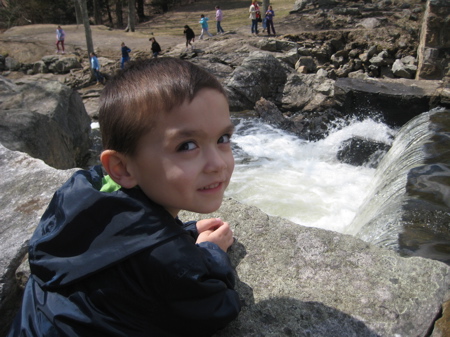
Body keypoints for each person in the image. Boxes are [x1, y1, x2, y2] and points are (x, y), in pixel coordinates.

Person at [7, 57, 241, 337]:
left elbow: (119, 246)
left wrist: (181, 233)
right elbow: (219, 306)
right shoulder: (173, 265)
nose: (217, 163)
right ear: (122, 168)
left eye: (223, 139)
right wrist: (210, 252)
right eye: (187, 145)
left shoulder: (83, 191)